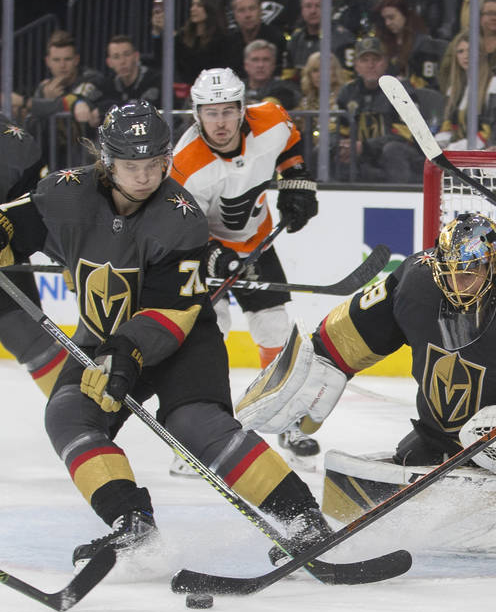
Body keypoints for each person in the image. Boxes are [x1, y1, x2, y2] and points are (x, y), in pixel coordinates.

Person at [0, 100, 332, 568]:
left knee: (195, 424)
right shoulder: (65, 192)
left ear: (165, 160)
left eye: (153, 164)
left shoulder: (181, 216)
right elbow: (16, 224)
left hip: (180, 339)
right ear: (106, 161)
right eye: (130, 166)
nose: (143, 177)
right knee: (69, 417)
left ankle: (303, 521)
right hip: (103, 336)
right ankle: (131, 522)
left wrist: (126, 354)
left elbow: (171, 309)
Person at [235, 214, 496, 562]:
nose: (457, 284)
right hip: (433, 441)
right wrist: (323, 362)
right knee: (356, 486)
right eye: (449, 272)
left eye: (469, 273)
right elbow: (354, 331)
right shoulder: (418, 280)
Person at [171, 68, 319, 463]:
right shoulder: (185, 165)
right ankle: (201, 428)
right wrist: (211, 256)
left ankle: (284, 419)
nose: (219, 122)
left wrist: (295, 180)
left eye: (227, 111)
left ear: (242, 109)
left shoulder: (270, 118)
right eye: (210, 113)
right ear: (196, 114)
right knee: (210, 329)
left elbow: (291, 143)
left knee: (274, 327)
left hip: (256, 240)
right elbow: (177, 232)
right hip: (203, 248)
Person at [0, 114, 67, 398]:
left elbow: (35, 213)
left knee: (31, 339)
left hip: (3, 253)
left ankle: (79, 417)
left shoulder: (14, 145)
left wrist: (68, 253)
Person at [337, 38, 424, 184]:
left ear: (385, 63)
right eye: (364, 60)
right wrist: (342, 146)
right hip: (362, 155)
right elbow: (337, 128)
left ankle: (399, 199)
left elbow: (406, 135)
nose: (370, 65)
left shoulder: (401, 89)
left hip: (401, 156)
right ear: (356, 65)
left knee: (392, 149)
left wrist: (365, 146)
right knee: (326, 151)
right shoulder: (348, 92)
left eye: (376, 59)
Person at [24, 30, 106, 166]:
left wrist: (49, 102)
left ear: (76, 60)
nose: (62, 65)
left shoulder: (92, 78)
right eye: (56, 60)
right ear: (48, 61)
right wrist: (45, 97)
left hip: (87, 149)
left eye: (67, 59)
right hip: (53, 152)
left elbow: (79, 100)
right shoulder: (44, 87)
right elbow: (33, 121)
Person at [437, 32, 496, 149]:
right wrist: (438, 143)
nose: (466, 55)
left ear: (481, 53)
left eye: (470, 50)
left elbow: (489, 132)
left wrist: (454, 148)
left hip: (483, 151)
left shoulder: (494, 85)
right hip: (457, 150)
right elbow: (447, 126)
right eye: (460, 51)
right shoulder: (453, 89)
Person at [373, 0, 448, 91]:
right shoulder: (383, 41)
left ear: (405, 15)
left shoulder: (423, 44)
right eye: (385, 19)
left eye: (391, 17)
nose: (387, 23)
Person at [283, 0, 355, 82]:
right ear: (302, 10)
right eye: (308, 6)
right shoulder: (295, 39)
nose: (313, 11)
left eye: (318, 6)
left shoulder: (344, 39)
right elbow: (287, 79)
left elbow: (348, 81)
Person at [223, 0, 288, 79]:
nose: (248, 15)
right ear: (235, 15)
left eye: (252, 9)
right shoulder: (227, 42)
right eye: (242, 10)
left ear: (260, 11)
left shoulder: (277, 39)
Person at [174, 0, 229, 84]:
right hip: (183, 89)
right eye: (192, 5)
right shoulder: (183, 36)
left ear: (210, 8)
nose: (193, 9)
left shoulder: (221, 39)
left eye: (199, 5)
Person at [98, 35, 162, 113]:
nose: (122, 61)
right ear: (109, 62)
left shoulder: (154, 80)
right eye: (116, 57)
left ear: (136, 56)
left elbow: (143, 108)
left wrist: (104, 108)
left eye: (127, 55)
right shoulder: (108, 83)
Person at [243, 40, 301, 111]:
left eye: (266, 60)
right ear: (246, 65)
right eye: (255, 60)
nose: (260, 65)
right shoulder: (235, 87)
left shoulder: (286, 88)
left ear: (273, 65)